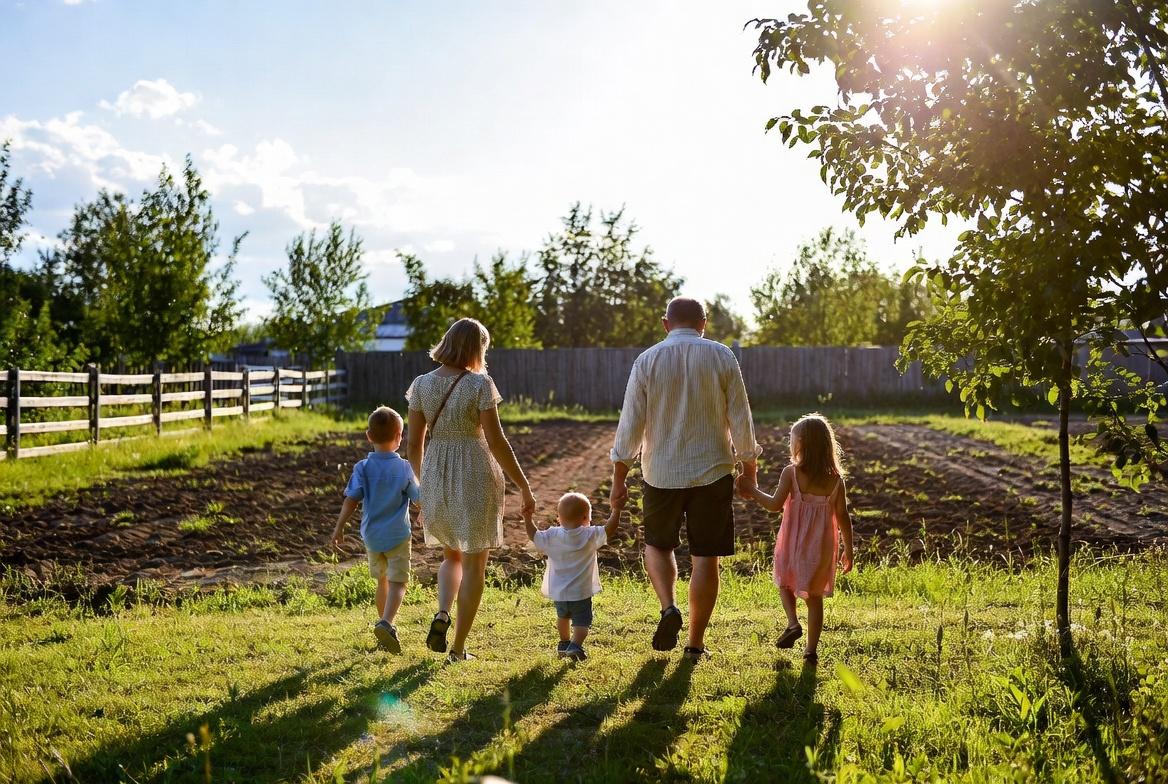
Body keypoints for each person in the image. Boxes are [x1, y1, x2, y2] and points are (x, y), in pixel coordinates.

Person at [610, 297, 761, 662]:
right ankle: (695, 644)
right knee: (706, 558)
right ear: (704, 323)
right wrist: (748, 470)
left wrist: (619, 478)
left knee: (658, 546)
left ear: (665, 324)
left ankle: (668, 608)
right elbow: (741, 417)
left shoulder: (647, 360)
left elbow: (630, 424)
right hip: (712, 472)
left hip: (661, 473)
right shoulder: (723, 356)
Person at [406, 317, 537, 662]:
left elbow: (413, 446)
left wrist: (424, 486)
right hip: (475, 472)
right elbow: (497, 442)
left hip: (436, 473)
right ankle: (458, 649)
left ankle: (442, 613)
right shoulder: (480, 384)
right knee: (476, 564)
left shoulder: (420, 384)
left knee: (451, 555)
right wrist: (523, 485)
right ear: (477, 348)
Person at [736, 413, 855, 665]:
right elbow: (843, 517)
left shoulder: (791, 473)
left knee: (784, 581)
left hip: (792, 541)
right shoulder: (836, 481)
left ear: (800, 445)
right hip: (821, 548)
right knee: (814, 599)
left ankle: (792, 622)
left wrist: (752, 490)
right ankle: (811, 651)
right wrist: (849, 549)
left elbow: (774, 504)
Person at [330, 406, 420, 654]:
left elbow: (351, 500)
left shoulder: (362, 468)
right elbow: (418, 497)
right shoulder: (404, 468)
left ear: (369, 435)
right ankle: (387, 623)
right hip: (398, 536)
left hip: (371, 536)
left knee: (382, 581)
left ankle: (385, 628)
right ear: (399, 437)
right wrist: (425, 509)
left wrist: (339, 528)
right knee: (399, 582)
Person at [524, 492, 624, 661]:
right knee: (582, 622)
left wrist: (528, 518)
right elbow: (609, 529)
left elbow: (533, 535)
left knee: (563, 617)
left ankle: (564, 643)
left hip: (559, 593)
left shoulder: (551, 535)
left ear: (559, 518)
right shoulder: (589, 535)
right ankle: (576, 645)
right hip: (581, 592)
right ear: (586, 518)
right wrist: (617, 510)